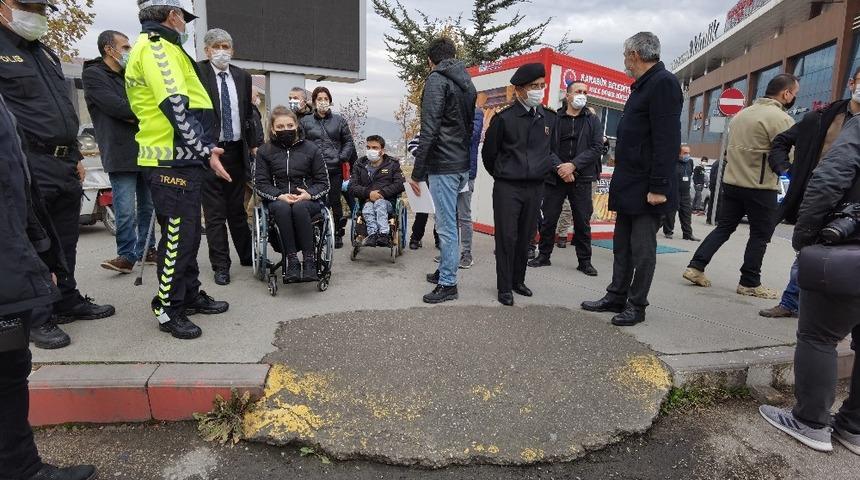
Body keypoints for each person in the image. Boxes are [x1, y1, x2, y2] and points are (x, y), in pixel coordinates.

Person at [0, 0, 115, 350]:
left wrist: (77, 155)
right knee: (32, 241)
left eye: (42, 9)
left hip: (63, 161)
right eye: (28, 6)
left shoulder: (43, 52)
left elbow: (62, 109)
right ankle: (37, 315)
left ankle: (66, 297)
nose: (37, 15)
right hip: (27, 162)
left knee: (66, 238)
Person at [0, 93, 97, 480]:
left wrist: (39, 255)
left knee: (9, 368)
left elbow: (16, 183)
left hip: (13, 264)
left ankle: (20, 468)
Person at [126, 0, 230, 340]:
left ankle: (188, 294)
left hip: (182, 159)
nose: (186, 26)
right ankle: (167, 306)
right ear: (173, 16)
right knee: (177, 238)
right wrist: (204, 150)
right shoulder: (156, 49)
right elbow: (175, 107)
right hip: (170, 160)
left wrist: (199, 151)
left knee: (188, 235)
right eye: (184, 19)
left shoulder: (165, 48)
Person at [759, 114, 860, 456]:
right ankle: (854, 427)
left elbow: (829, 179)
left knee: (819, 336)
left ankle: (811, 422)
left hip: (849, 247)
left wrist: (804, 238)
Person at [581, 32, 681, 326]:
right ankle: (616, 295)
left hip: (648, 186)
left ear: (635, 55)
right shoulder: (642, 86)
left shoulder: (664, 84)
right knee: (621, 244)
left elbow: (667, 138)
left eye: (625, 55)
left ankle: (637, 305)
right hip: (631, 183)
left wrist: (659, 186)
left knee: (642, 249)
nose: (625, 61)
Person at [683, 74, 799, 299]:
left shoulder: (741, 115)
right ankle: (749, 282)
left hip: (733, 182)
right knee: (760, 234)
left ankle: (695, 266)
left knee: (724, 227)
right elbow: (789, 154)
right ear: (786, 94)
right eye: (794, 94)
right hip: (760, 185)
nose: (794, 97)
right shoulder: (781, 119)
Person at [759, 68, 860, 319]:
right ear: (851, 83)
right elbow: (781, 142)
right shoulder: (822, 117)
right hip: (819, 196)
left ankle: (818, 312)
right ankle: (794, 303)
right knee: (807, 251)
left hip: (853, 205)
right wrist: (787, 172)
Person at [482, 62, 561, 306]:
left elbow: (552, 151)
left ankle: (518, 280)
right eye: (533, 86)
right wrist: (504, 174)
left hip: (536, 187)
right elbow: (489, 155)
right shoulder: (503, 118)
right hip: (508, 187)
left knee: (526, 237)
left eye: (541, 85)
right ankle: (504, 286)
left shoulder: (549, 117)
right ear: (518, 90)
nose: (539, 90)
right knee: (506, 237)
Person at [408, 37, 476, 304]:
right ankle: (444, 271)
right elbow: (468, 127)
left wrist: (417, 173)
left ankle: (448, 283)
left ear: (430, 60)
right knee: (449, 221)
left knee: (446, 225)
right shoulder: (466, 82)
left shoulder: (437, 80)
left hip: (444, 165)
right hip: (460, 163)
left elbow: (430, 130)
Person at [84, 30, 157, 276]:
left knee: (147, 206)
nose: (129, 51)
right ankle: (126, 255)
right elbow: (117, 107)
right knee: (125, 208)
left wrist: (139, 110)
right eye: (125, 47)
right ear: (108, 49)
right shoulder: (94, 75)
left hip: (145, 149)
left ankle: (148, 249)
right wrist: (143, 112)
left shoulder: (131, 74)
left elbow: (146, 101)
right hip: (119, 151)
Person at [198, 28, 260, 286]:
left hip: (235, 151)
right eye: (215, 47)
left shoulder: (242, 77)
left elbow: (248, 114)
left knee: (237, 208)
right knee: (214, 213)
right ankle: (221, 265)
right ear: (207, 50)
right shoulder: (197, 72)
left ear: (232, 50)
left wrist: (255, 144)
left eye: (225, 46)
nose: (221, 51)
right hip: (208, 151)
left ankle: (247, 255)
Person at [529, 81, 602, 276]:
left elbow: (596, 148)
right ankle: (544, 255)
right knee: (549, 219)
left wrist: (573, 166)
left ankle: (584, 261)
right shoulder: (554, 118)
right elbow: (546, 147)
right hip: (555, 176)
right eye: (578, 91)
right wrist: (561, 167)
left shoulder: (593, 119)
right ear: (568, 95)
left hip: (582, 177)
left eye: (585, 92)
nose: (583, 95)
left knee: (582, 221)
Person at [254, 106, 329, 282]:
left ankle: (310, 260)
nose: (285, 129)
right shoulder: (265, 151)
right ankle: (292, 260)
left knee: (299, 207)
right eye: (280, 127)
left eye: (289, 125)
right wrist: (280, 195)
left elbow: (323, 182)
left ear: (296, 125)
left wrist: (309, 194)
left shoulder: (311, 149)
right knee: (282, 208)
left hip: (306, 200)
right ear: (273, 129)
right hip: (278, 199)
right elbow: (260, 183)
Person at [301, 86, 356, 249]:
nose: (323, 102)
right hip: (313, 169)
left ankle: (338, 232)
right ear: (314, 102)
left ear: (330, 101)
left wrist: (342, 157)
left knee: (334, 201)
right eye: (319, 99)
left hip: (334, 168)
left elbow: (348, 142)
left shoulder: (339, 121)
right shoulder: (305, 121)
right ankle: (318, 230)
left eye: (326, 99)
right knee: (316, 200)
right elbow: (301, 143)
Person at [349, 135, 405, 247]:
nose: (371, 150)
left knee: (379, 203)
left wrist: (382, 194)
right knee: (368, 208)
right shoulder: (359, 165)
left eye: (375, 148)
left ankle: (384, 234)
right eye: (368, 147)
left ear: (382, 151)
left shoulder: (392, 164)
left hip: (387, 202)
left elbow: (400, 184)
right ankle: (372, 234)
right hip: (367, 201)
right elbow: (352, 187)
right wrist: (369, 193)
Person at [458, 92, 486, 268]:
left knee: (464, 215)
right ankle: (450, 251)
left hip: (467, 173)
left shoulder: (476, 113)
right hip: (449, 172)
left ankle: (466, 253)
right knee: (448, 216)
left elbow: (471, 136)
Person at [407, 132, 439, 251]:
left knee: (439, 209)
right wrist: (423, 156)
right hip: (423, 172)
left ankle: (439, 239)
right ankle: (415, 238)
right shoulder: (425, 130)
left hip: (440, 172)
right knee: (422, 208)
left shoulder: (447, 130)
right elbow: (411, 145)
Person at [661, 145, 699, 241]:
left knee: (686, 214)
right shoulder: (673, 163)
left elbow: (690, 174)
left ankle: (688, 234)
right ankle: (668, 231)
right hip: (674, 192)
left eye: (688, 153)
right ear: (679, 154)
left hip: (685, 193)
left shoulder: (690, 162)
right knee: (670, 214)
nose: (687, 155)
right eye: (685, 153)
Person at [706, 156, 722, 225]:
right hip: (718, 188)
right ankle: (715, 219)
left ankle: (709, 219)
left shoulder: (716, 162)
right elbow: (717, 177)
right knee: (718, 204)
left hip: (714, 187)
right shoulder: (721, 163)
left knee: (712, 203)